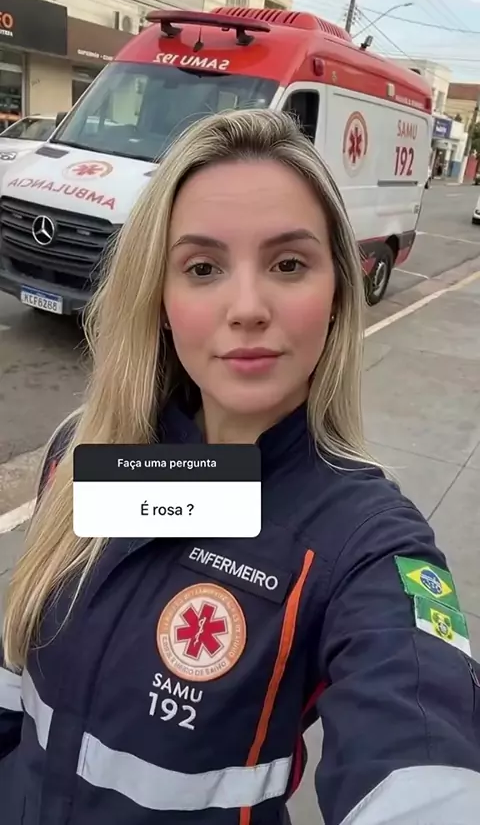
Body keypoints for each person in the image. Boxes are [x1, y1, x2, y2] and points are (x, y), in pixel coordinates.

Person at [1, 108, 479, 825]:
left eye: (288, 265)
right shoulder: (86, 455)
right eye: (203, 268)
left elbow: (418, 740)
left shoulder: (365, 543)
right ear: (161, 300)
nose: (248, 308)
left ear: (337, 294)